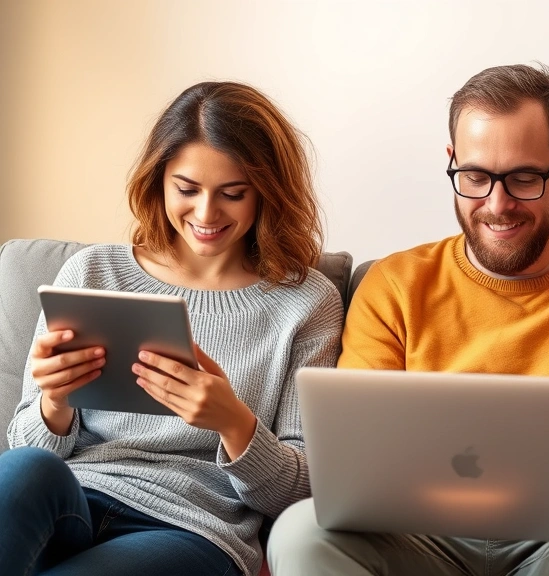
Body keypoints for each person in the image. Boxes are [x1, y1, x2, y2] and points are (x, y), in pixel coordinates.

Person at [268, 63, 549, 576]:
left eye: (524, 178)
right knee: (301, 534)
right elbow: (357, 450)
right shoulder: (395, 284)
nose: (497, 205)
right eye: (475, 177)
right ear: (451, 161)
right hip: (418, 536)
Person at [1, 81, 343, 576]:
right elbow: (24, 449)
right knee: (21, 471)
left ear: (267, 193)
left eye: (232, 193)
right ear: (159, 181)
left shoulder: (306, 302)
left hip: (192, 529)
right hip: (76, 496)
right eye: (187, 189)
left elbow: (304, 492)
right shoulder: (94, 273)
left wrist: (233, 422)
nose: (206, 214)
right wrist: (54, 403)